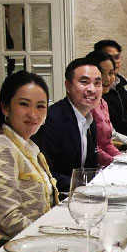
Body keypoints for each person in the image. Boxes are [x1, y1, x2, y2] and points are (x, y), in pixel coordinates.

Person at [0, 71, 56, 237]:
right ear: (5, 108)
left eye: (40, 106)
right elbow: (11, 220)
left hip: (33, 239)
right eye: (24, 104)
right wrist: (53, 236)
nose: (33, 114)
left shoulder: (28, 147)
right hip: (8, 245)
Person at [34, 55, 104, 192]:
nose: (92, 89)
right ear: (68, 85)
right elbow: (46, 173)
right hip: (58, 196)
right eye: (84, 82)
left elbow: (90, 168)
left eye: (97, 83)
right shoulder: (53, 119)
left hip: (82, 194)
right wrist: (84, 185)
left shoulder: (89, 120)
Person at [94, 39, 127, 140]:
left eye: (117, 57)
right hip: (119, 144)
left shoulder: (120, 85)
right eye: (109, 57)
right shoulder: (97, 92)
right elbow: (106, 131)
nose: (114, 62)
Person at [93, 53, 124, 167]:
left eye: (111, 73)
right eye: (102, 73)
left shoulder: (103, 103)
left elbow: (107, 144)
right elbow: (93, 148)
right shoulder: (87, 106)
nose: (107, 79)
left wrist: (124, 159)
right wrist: (115, 164)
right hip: (92, 168)